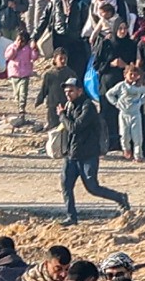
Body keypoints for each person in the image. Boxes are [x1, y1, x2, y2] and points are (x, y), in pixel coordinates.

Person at [56, 79, 131, 225]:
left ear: (80, 91)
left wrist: (62, 115)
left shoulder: (88, 107)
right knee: (66, 185)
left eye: (71, 91)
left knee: (93, 187)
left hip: (88, 155)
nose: (67, 94)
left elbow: (75, 127)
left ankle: (120, 198)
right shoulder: (70, 106)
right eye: (66, 91)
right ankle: (71, 217)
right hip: (71, 154)